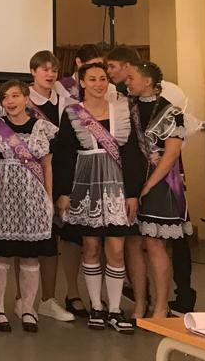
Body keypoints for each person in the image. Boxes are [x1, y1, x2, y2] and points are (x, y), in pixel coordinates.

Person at [52, 62, 146, 334]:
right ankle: (96, 306)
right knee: (91, 247)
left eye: (102, 78)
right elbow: (64, 155)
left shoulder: (121, 110)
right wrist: (63, 192)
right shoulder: (73, 113)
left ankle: (115, 309)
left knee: (116, 248)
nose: (98, 84)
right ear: (82, 82)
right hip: (85, 185)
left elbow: (131, 154)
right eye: (92, 79)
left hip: (117, 186)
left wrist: (132, 193)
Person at [0, 80, 59, 333]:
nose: (10, 101)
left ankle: (27, 308)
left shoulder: (43, 128)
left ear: (26, 98)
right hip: (3, 195)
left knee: (30, 255)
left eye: (15, 95)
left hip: (33, 197)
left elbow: (47, 166)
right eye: (5, 97)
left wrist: (49, 198)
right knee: (0, 254)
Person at [124, 60, 191, 322]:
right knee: (133, 242)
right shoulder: (126, 108)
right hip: (131, 182)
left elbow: (172, 153)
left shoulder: (170, 112)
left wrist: (150, 184)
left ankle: (161, 306)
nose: (127, 82)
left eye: (131, 78)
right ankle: (140, 302)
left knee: (154, 243)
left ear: (147, 81)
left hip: (161, 184)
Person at [25, 49, 77, 323]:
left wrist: (64, 190)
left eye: (53, 69)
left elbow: (68, 150)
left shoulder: (66, 104)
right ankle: (25, 301)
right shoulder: (21, 100)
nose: (50, 74)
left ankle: (47, 299)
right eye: (44, 69)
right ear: (33, 71)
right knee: (25, 241)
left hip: (57, 177)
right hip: (27, 178)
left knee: (51, 240)